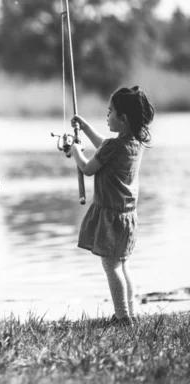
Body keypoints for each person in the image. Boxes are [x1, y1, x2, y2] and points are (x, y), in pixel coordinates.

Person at [69, 86, 154, 326]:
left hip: (110, 218)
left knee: (111, 267)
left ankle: (122, 316)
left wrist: (75, 151)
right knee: (122, 266)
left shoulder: (113, 147)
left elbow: (87, 168)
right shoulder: (134, 144)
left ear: (123, 119)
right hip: (127, 218)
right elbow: (105, 146)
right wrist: (85, 128)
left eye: (110, 112)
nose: (107, 116)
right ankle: (130, 313)